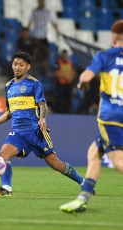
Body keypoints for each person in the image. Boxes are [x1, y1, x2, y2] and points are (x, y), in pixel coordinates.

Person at [0, 51, 90, 197]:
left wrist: (43, 119)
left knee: (55, 164)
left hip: (36, 131)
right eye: (15, 64)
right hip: (18, 133)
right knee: (2, 155)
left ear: (28, 67)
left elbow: (42, 105)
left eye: (21, 65)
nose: (17, 67)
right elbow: (9, 112)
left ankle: (84, 183)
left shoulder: (34, 84)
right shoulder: (8, 86)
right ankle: (6, 189)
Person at [60, 20, 123, 213]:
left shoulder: (105, 56)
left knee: (118, 160)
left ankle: (82, 199)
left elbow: (85, 77)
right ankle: (82, 198)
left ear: (112, 38)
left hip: (110, 116)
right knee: (93, 153)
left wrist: (82, 85)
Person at [28, 0, 59, 75]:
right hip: (36, 36)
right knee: (34, 54)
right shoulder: (34, 12)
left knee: (45, 55)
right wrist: (27, 30)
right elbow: (30, 22)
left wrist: (57, 30)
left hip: (43, 36)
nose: (41, 3)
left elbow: (52, 22)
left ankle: (46, 71)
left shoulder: (47, 12)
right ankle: (32, 70)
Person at [53, 49, 76, 114]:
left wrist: (71, 78)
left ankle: (67, 112)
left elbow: (73, 72)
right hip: (60, 84)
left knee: (68, 100)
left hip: (68, 84)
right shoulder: (58, 62)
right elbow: (56, 73)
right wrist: (66, 78)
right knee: (59, 100)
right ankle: (58, 113)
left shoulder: (70, 63)